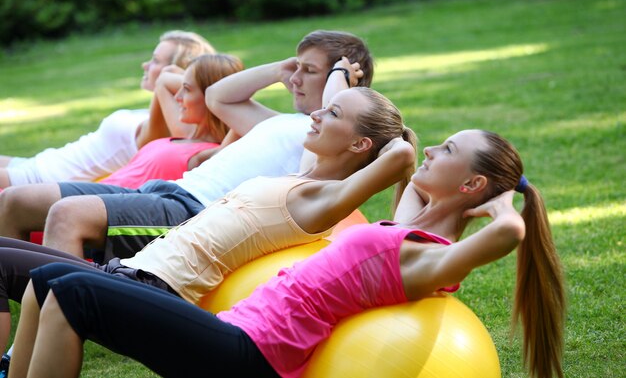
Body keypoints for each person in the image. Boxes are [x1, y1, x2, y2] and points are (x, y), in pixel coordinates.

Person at [10, 130, 565, 378]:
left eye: (449, 150)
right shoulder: (404, 228)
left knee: (75, 288)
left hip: (253, 355)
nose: (433, 149)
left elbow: (507, 237)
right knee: (56, 274)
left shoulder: (423, 256)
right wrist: (414, 158)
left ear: (470, 186)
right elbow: (405, 164)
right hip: (234, 328)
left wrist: (503, 211)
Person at [0, 85, 416, 373]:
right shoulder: (306, 176)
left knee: (62, 285)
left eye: (334, 113)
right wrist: (346, 100)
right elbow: (360, 140)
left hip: (156, 284)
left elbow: (396, 159)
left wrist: (401, 143)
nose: (319, 112)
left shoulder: (321, 199)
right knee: (35, 276)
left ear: (361, 146)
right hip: (130, 268)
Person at [0, 30, 374, 262]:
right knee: (15, 201)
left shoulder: (327, 137)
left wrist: (342, 80)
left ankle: (27, 347)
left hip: (193, 212)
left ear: (339, 81)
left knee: (67, 214)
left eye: (308, 71)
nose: (295, 78)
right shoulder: (280, 122)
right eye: (297, 68)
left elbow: (334, 123)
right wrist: (281, 68)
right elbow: (219, 96)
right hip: (165, 191)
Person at [0, 31, 216, 189]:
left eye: (156, 61)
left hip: (40, 180)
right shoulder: (152, 114)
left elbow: (182, 136)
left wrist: (172, 79)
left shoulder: (166, 128)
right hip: (37, 163)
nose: (145, 65)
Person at [98, 53, 243, 189]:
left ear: (210, 97)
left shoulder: (211, 154)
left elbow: (249, 117)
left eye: (186, 89)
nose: (177, 96)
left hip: (102, 206)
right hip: (92, 193)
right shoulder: (185, 134)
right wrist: (193, 81)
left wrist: (216, 95)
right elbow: (164, 79)